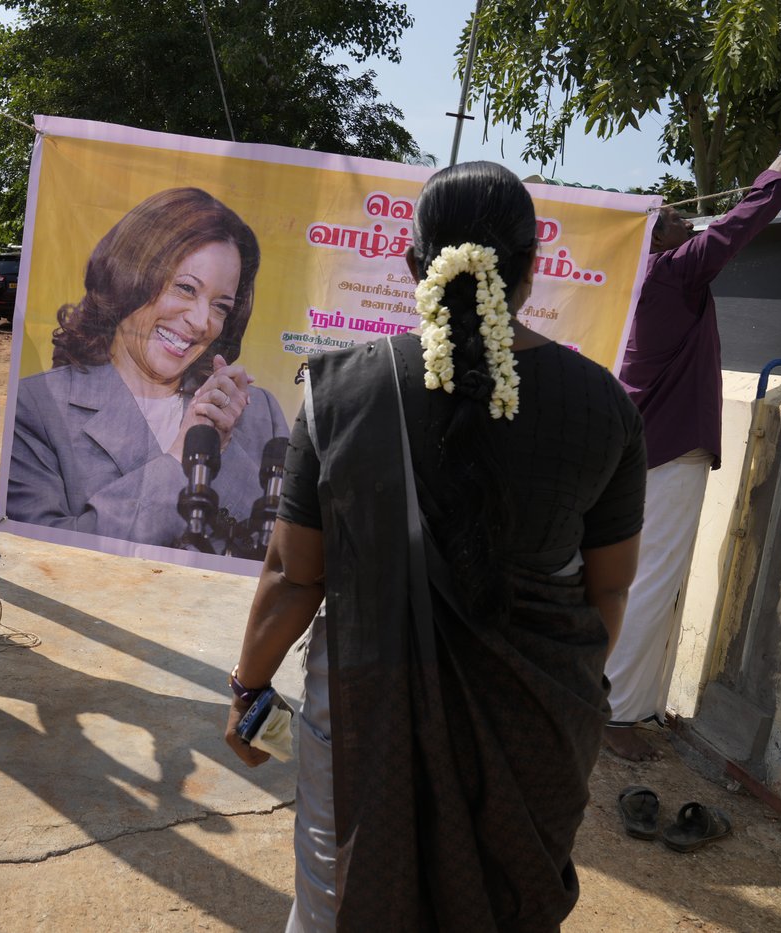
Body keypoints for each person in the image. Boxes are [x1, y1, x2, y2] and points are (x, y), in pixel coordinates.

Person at [224, 161, 646, 930]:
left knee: (340, 906)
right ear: (533, 270)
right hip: (539, 728)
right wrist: (550, 688)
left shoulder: (340, 392)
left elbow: (294, 575)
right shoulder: (604, 407)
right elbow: (609, 589)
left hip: (364, 715)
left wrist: (249, 687)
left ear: (416, 265)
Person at [603, 124, 781, 761]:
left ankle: (637, 703)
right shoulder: (671, 275)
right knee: (652, 581)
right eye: (669, 218)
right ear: (654, 239)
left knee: (647, 580)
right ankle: (617, 713)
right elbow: (734, 229)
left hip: (637, 448)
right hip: (669, 450)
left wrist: (777, 165)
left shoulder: (641, 282)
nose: (681, 217)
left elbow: (721, 227)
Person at [8, 187, 289, 552]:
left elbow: (283, 552)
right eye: (186, 288)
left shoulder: (258, 411)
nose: (202, 321)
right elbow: (42, 556)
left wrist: (224, 442)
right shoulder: (37, 407)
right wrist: (180, 463)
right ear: (129, 276)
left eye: (221, 306)